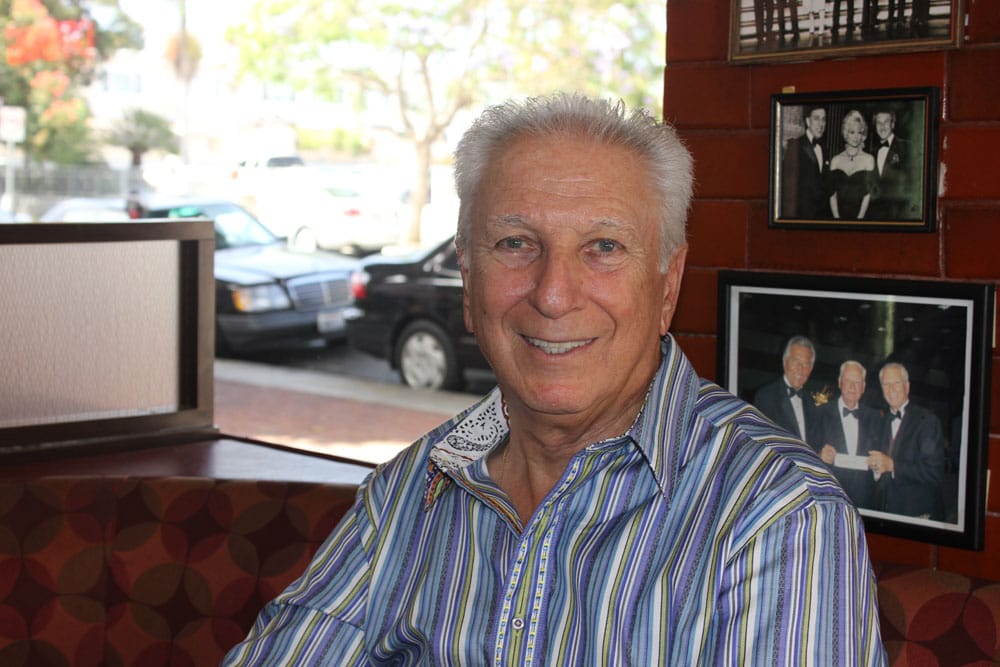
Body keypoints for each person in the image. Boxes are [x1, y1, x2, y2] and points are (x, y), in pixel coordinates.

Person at [223, 93, 885, 665]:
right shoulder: (412, 485)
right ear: (467, 277)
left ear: (667, 285)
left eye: (603, 247)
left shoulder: (781, 516)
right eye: (516, 243)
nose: (553, 293)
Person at [869, 362, 946, 519]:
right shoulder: (880, 421)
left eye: (896, 383)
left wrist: (892, 465)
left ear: (907, 386)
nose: (891, 389)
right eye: (886, 384)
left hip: (917, 513)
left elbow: (934, 473)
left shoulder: (926, 420)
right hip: (885, 511)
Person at [815, 360, 880, 510]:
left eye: (857, 382)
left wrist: (877, 469)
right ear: (840, 382)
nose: (852, 387)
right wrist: (819, 455)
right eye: (848, 381)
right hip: (829, 499)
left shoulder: (876, 418)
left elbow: (880, 464)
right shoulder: (819, 414)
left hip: (864, 503)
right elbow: (805, 454)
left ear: (863, 387)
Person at [752, 335, 821, 444]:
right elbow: (761, 443)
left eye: (806, 364)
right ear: (785, 362)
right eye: (795, 361)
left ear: (811, 369)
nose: (800, 369)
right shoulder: (766, 397)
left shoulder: (811, 403)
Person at [781, 106, 830, 219]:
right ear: (808, 121)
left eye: (823, 119)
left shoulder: (824, 149)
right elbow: (789, 189)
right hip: (801, 216)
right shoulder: (795, 146)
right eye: (816, 118)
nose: (821, 124)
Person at [828, 110, 876, 220]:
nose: (856, 137)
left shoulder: (868, 159)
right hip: (837, 217)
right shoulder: (836, 160)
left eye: (859, 132)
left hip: (862, 217)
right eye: (852, 132)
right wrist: (837, 219)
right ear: (845, 133)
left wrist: (859, 219)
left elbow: (867, 195)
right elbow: (832, 194)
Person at [868, 110, 915, 220]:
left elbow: (910, 176)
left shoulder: (906, 146)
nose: (882, 126)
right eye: (879, 123)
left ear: (893, 124)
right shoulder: (872, 152)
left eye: (886, 122)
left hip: (899, 206)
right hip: (877, 208)